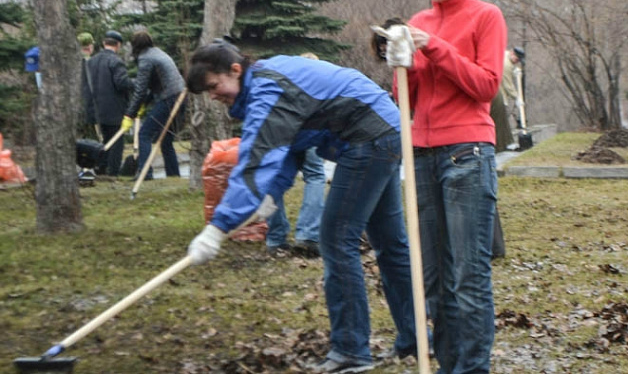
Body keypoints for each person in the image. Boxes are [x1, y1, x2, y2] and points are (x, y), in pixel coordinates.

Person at [185, 41, 417, 374]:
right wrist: (270, 197)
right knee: (389, 244)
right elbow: (290, 146)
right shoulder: (266, 81)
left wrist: (218, 226)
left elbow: (255, 159)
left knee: (337, 239)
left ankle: (351, 351)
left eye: (213, 86)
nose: (213, 96)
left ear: (235, 70)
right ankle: (414, 340)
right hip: (383, 128)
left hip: (368, 137)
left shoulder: (267, 89)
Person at [398, 0, 506, 373]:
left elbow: (486, 85)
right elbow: (407, 98)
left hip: (467, 153)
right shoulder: (417, 21)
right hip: (422, 155)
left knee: (468, 275)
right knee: (434, 279)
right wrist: (400, 64)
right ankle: (447, 365)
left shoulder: (486, 17)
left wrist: (436, 48)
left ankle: (471, 368)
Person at [266, 53, 325, 259]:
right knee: (315, 176)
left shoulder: (283, 81)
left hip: (283, 131)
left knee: (274, 179)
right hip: (310, 129)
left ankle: (276, 239)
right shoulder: (320, 81)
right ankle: (308, 235)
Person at [121, 30, 186, 179]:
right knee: (165, 140)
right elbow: (154, 85)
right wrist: (144, 105)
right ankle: (173, 175)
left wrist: (129, 115)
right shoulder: (158, 53)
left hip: (169, 98)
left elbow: (140, 90)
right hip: (181, 96)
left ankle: (145, 173)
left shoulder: (145, 59)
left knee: (144, 134)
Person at [83, 31, 133, 175]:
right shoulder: (115, 61)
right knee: (116, 143)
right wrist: (136, 83)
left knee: (104, 141)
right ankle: (113, 172)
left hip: (96, 109)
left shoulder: (91, 62)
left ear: (104, 43)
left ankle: (102, 168)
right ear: (118, 45)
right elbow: (122, 83)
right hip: (114, 109)